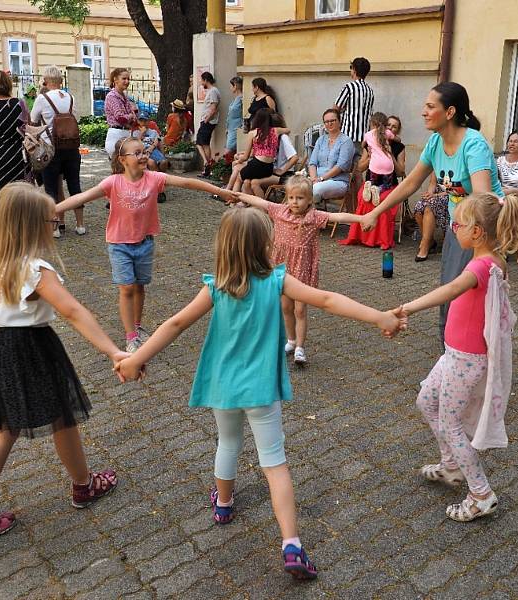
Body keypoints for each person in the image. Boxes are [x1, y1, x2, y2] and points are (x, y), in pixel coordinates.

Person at [115, 207, 404, 579]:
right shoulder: (278, 282)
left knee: (228, 443)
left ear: (224, 246)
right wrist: (378, 315)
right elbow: (328, 299)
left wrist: (135, 359)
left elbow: (176, 323)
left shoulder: (215, 286)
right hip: (261, 391)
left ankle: (222, 503)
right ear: (267, 244)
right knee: (274, 461)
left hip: (224, 388)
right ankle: (291, 545)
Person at [0, 183, 125, 549]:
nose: (56, 222)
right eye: (52, 219)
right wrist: (114, 351)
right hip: (26, 348)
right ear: (33, 225)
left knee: (21, 426)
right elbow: (73, 311)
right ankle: (80, 487)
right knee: (44, 420)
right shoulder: (35, 268)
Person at [393, 192, 518, 522]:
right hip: (454, 354)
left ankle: (480, 492)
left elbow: (451, 290)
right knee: (426, 401)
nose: (453, 229)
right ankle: (451, 465)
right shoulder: (491, 260)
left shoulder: (481, 266)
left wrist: (408, 306)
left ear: (477, 232)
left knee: (452, 424)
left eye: (458, 224)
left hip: (466, 359)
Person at [55, 137, 234, 353]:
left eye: (144, 152)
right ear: (123, 159)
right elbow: (81, 197)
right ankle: (131, 337)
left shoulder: (154, 178)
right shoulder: (113, 182)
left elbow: (188, 183)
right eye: (137, 153)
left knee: (139, 287)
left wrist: (220, 191)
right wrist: (53, 209)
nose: (143, 156)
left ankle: (138, 328)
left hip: (144, 243)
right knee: (127, 288)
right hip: (119, 244)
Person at [362, 82, 503, 343]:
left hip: (481, 231)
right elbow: (410, 183)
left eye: (430, 106)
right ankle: (452, 354)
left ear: (449, 112)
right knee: (451, 292)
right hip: (458, 227)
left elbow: (483, 200)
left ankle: (464, 356)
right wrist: (376, 212)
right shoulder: (436, 142)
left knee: (459, 295)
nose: (423, 112)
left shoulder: (474, 145)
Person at [234, 174, 364, 363]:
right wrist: (236, 195)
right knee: (286, 307)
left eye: (300, 198)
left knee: (300, 310)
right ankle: (291, 340)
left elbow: (339, 216)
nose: (295, 202)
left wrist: (363, 218)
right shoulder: (280, 211)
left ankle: (300, 348)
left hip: (301, 269)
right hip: (281, 268)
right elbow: (258, 201)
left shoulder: (314, 217)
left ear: (310, 199)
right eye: (292, 197)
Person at [31, 65, 85, 237]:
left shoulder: (42, 98)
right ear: (61, 82)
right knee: (74, 185)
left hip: (51, 149)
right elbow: (75, 118)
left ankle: (55, 228)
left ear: (45, 81)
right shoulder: (70, 97)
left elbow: (33, 121)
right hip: (71, 147)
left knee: (51, 188)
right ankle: (80, 224)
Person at [339, 112, 399, 250]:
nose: (391, 128)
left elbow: (401, 172)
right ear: (385, 126)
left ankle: (372, 187)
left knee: (382, 200)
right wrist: (370, 156)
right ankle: (376, 188)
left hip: (381, 176)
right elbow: (360, 167)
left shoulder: (372, 137)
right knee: (365, 198)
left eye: (394, 126)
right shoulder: (387, 136)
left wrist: (391, 155)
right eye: (389, 125)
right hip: (386, 169)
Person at [0, 71, 30, 190]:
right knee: (23, 192)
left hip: (3, 153)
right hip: (21, 153)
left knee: (5, 192)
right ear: (8, 84)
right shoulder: (21, 103)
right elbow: (29, 126)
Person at [308, 108, 354, 206]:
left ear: (339, 122)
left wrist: (320, 179)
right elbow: (312, 163)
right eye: (326, 122)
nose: (329, 124)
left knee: (315, 189)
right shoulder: (321, 140)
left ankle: (311, 215)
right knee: (297, 186)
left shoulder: (346, 141)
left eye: (333, 121)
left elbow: (341, 166)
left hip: (337, 181)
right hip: (317, 180)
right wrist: (313, 179)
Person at [247, 113, 299, 198]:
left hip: (284, 175)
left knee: (255, 183)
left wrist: (282, 170)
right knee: (247, 180)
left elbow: (295, 157)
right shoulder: (268, 139)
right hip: (271, 171)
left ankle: (263, 208)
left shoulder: (283, 138)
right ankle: (251, 204)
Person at [333, 57, 375, 158]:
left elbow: (335, 110)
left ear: (354, 70)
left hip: (348, 134)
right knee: (357, 168)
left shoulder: (349, 87)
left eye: (351, 68)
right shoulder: (370, 91)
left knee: (343, 166)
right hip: (363, 136)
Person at [238, 108, 289, 188]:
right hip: (268, 168)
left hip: (256, 164)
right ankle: (251, 200)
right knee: (247, 182)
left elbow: (245, 157)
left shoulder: (253, 133)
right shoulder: (275, 130)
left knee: (239, 179)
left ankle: (231, 197)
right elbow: (288, 130)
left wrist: (238, 160)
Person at [104, 68, 137, 160]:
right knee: (119, 168)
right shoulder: (112, 96)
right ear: (115, 79)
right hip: (116, 134)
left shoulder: (125, 97)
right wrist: (130, 115)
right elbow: (120, 118)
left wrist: (131, 116)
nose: (127, 81)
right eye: (124, 79)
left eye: (128, 79)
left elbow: (134, 118)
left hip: (126, 134)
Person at [196, 72, 220, 177]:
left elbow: (214, 107)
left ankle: (207, 165)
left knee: (203, 143)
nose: (201, 83)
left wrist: (207, 119)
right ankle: (207, 164)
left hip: (208, 121)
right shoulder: (211, 91)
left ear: (206, 80)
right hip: (207, 120)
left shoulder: (213, 91)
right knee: (200, 142)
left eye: (202, 80)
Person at [224, 76, 243, 161]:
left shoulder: (241, 98)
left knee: (228, 150)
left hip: (236, 127)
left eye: (231, 86)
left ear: (235, 86)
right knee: (229, 150)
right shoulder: (236, 98)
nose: (230, 88)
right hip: (231, 127)